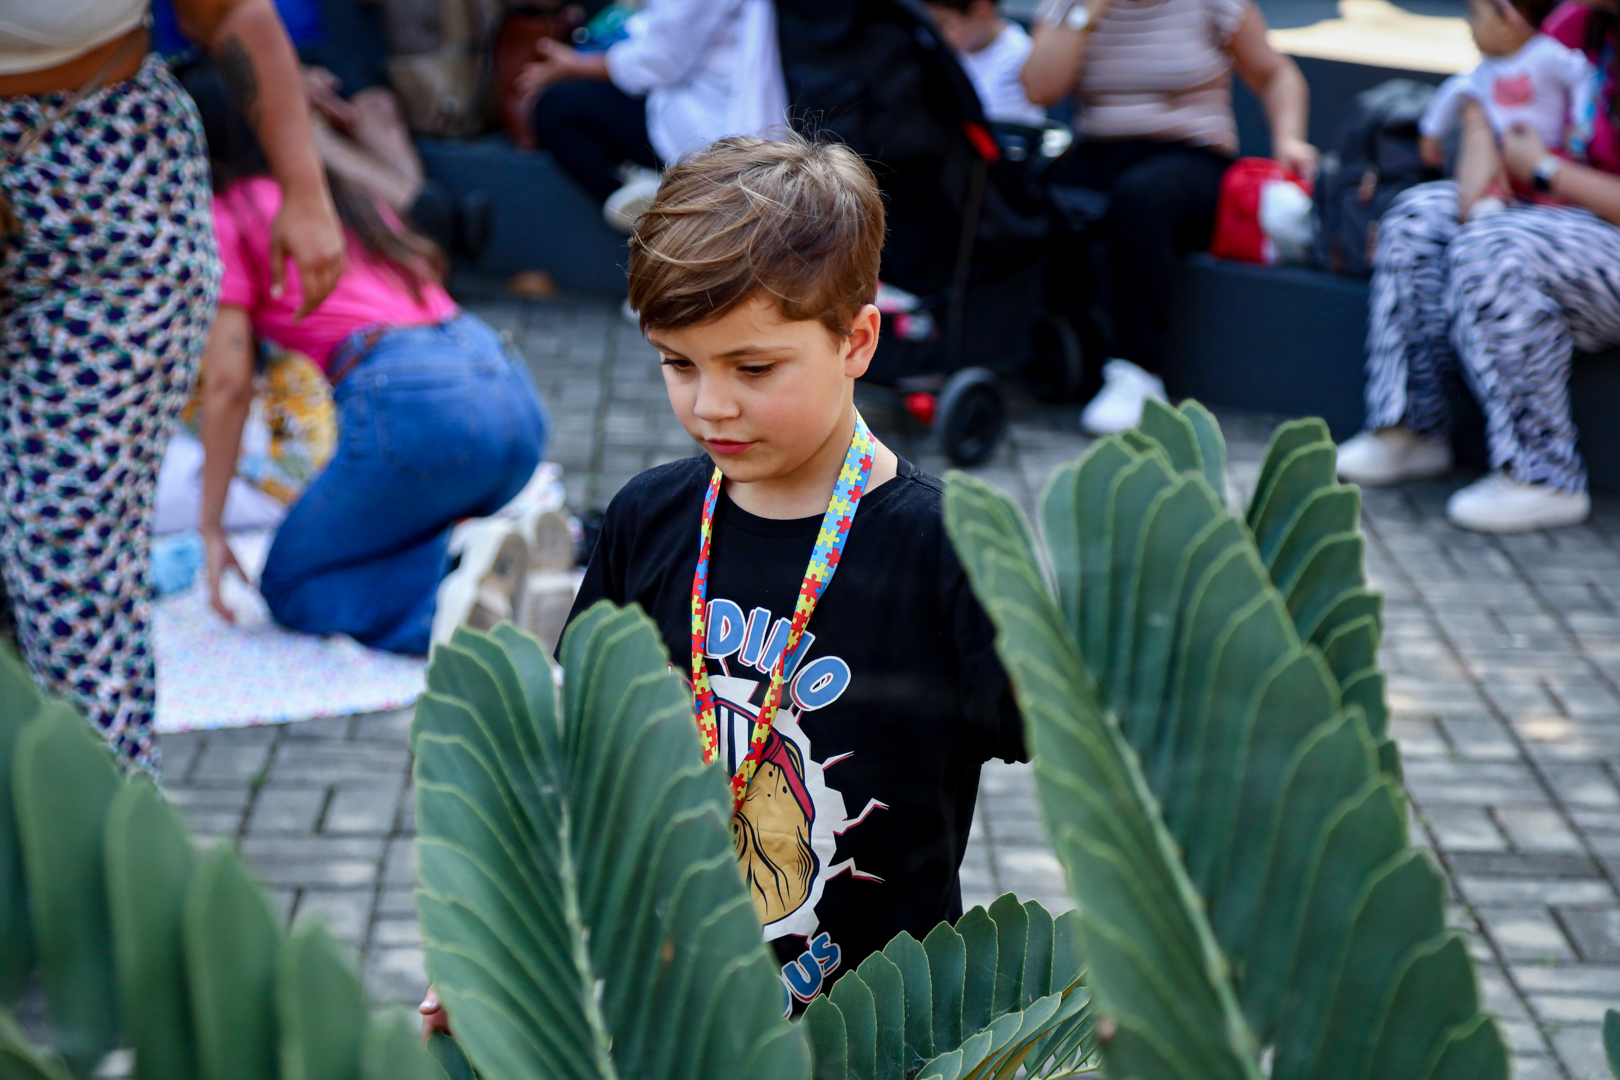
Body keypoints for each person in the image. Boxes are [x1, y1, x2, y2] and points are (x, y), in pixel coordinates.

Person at [421, 134, 1024, 1033]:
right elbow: (583, 769)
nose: (710, 405)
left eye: (752, 368)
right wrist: (512, 960)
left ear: (857, 339)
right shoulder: (647, 518)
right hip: (658, 1020)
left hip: (879, 1041)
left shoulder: (947, 549)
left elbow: (1109, 768)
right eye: (677, 362)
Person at [0, 0, 344, 773]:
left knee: (68, 554)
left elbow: (231, 15)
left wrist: (307, 190)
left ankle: (105, 850)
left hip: (103, 177)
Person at [190, 70, 550, 655]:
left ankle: (469, 620)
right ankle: (500, 565)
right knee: (387, 528)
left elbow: (228, 385)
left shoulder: (226, 210)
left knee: (293, 582)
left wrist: (211, 526)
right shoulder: (331, 190)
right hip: (509, 389)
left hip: (422, 408)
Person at [1335, 0, 1620, 532]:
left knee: (1496, 247)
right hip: (1557, 215)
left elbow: (1540, 165)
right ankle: (1410, 430)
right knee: (1420, 218)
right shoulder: (1574, 24)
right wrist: (1477, 130)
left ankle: (1544, 475)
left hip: (1596, 226)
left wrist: (1543, 168)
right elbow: (1491, 112)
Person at [1021, 0, 1317, 435]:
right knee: (1025, 191)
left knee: (1142, 198)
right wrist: (1086, 11)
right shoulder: (1069, 5)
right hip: (1098, 151)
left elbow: (1275, 73)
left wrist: (1289, 140)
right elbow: (1039, 88)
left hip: (1191, 156)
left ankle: (1138, 373)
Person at [514, 0, 789, 229]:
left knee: (558, 107)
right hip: (731, 114)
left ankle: (663, 219)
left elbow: (661, 61)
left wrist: (575, 66)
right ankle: (651, 198)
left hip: (714, 123)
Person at [1417, 0, 1590, 198]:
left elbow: (1582, 74)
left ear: (1507, 23)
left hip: (1550, 156)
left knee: (1554, 198)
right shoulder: (1486, 69)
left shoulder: (1546, 55)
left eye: (1476, 15)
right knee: (1488, 192)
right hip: (1500, 160)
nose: (1469, 23)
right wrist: (1431, 133)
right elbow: (1455, 89)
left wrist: (1580, 122)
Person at [923, 0, 1048, 126]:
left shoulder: (1022, 58)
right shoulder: (955, 50)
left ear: (982, 11)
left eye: (945, 24)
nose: (938, 35)